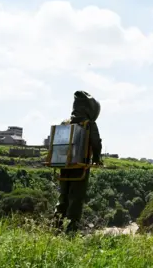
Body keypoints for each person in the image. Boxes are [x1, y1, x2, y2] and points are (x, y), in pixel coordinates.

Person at [54, 91, 103, 233]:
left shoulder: (65, 123)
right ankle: (71, 230)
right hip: (81, 166)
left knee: (63, 196)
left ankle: (56, 227)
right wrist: (97, 159)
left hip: (64, 164)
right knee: (76, 197)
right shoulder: (88, 123)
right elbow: (96, 143)